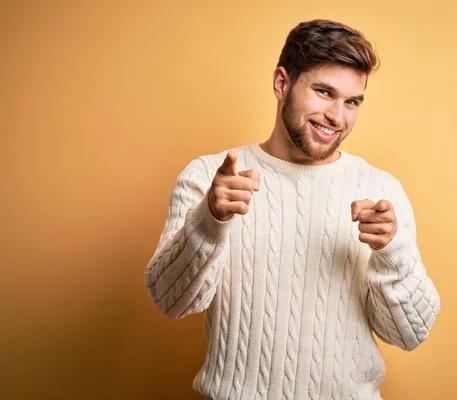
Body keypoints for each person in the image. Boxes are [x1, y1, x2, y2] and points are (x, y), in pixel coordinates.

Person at [144, 18, 441, 400]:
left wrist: (392, 251)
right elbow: (170, 301)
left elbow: (409, 334)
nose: (338, 117)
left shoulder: (381, 190)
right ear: (282, 84)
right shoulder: (209, 178)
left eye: (351, 101)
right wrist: (209, 221)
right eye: (323, 92)